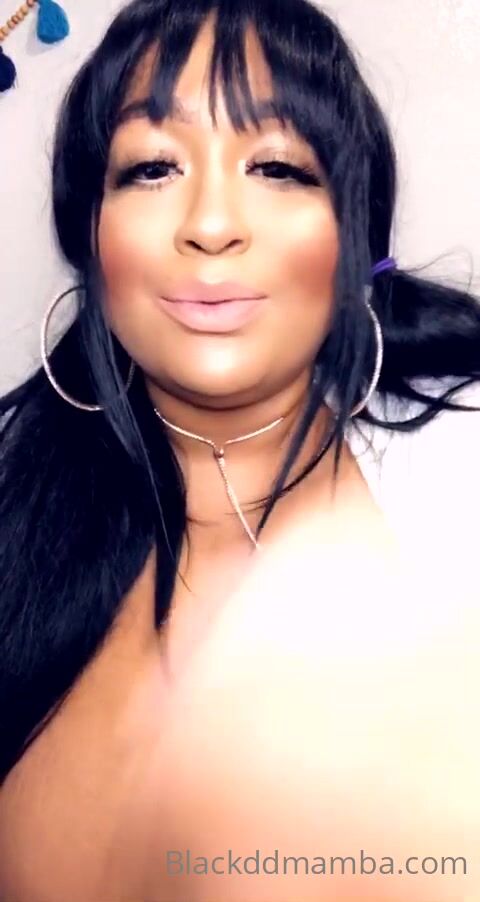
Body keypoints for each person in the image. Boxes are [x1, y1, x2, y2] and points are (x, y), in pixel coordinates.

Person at [0, 0, 479, 899]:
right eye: (152, 167)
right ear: (89, 233)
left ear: (353, 232)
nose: (213, 223)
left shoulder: (465, 477)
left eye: (277, 167)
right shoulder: (15, 514)